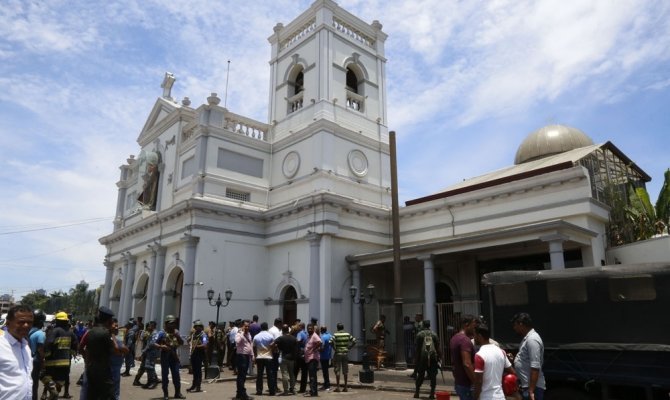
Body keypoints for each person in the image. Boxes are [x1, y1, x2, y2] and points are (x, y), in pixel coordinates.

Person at [81, 306, 120, 400]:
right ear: (109, 320)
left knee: (92, 395)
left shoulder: (90, 332)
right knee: (108, 395)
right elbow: (116, 350)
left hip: (91, 368)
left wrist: (87, 362)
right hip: (103, 371)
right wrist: (113, 334)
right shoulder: (106, 333)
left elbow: (83, 349)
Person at [0, 304, 34, 400]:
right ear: (8, 324)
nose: (26, 325)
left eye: (30, 322)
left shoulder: (26, 347)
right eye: (21, 322)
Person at [473, 323, 515, 400]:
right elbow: (512, 372)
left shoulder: (479, 355)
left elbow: (478, 381)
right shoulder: (501, 352)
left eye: (474, 335)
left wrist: (475, 397)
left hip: (486, 397)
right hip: (500, 396)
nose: (474, 338)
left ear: (479, 336)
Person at [42, 312, 78, 400]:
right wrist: (71, 354)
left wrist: (45, 356)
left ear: (57, 321)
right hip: (65, 363)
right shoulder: (71, 333)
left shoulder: (55, 331)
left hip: (52, 362)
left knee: (44, 376)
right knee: (61, 381)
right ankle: (54, 395)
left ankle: (51, 392)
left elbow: (48, 344)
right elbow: (75, 346)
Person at [511, 313, 545, 400]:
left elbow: (535, 367)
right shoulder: (527, 338)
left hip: (533, 387)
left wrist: (531, 390)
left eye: (515, 325)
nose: (514, 328)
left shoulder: (532, 339)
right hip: (527, 386)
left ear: (521, 324)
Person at [155, 315, 185, 400]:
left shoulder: (176, 332)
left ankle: (177, 393)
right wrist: (162, 346)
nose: (173, 325)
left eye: (174, 323)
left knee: (176, 375)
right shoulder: (162, 333)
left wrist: (177, 336)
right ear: (166, 324)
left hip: (174, 356)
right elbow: (153, 343)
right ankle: (166, 394)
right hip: (165, 356)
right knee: (165, 375)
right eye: (171, 323)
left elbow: (182, 342)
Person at [450, 314, 477, 400]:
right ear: (466, 324)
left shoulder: (455, 338)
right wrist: (476, 382)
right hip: (467, 384)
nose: (474, 328)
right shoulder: (465, 340)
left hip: (460, 382)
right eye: (473, 325)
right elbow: (467, 363)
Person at [414, 320, 440, 400]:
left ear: (423, 325)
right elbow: (437, 348)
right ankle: (432, 393)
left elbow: (418, 349)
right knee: (433, 375)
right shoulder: (434, 334)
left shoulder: (420, 334)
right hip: (432, 357)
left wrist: (417, 360)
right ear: (429, 325)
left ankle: (417, 392)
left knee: (420, 374)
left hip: (423, 357)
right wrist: (439, 358)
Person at [330, 322, 356, 393]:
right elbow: (354, 341)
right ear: (343, 328)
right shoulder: (347, 334)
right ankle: (345, 387)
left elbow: (330, 341)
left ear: (337, 328)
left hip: (338, 353)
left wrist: (334, 348)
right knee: (345, 371)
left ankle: (338, 387)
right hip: (345, 354)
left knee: (337, 370)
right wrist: (349, 347)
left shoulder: (336, 334)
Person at [253, 322, 276, 396]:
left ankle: (259, 390)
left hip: (259, 357)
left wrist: (255, 355)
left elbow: (254, 346)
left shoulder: (256, 336)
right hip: (268, 357)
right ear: (267, 327)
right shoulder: (270, 336)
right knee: (270, 374)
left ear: (261, 328)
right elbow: (273, 346)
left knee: (259, 375)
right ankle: (272, 391)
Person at [133, 320, 159, 388]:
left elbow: (151, 343)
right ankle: (150, 381)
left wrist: (144, 350)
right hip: (147, 352)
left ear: (153, 326)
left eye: (150, 325)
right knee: (146, 366)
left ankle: (152, 382)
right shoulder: (148, 332)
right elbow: (144, 340)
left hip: (151, 352)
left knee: (150, 367)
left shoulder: (155, 333)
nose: (149, 327)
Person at [28, 309, 47, 400]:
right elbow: (40, 349)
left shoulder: (27, 331)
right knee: (34, 384)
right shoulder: (40, 334)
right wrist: (43, 362)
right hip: (35, 361)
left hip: (27, 360)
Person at [274, 324, 297, 395]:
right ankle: (292, 389)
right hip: (292, 358)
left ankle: (286, 390)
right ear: (288, 330)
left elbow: (273, 344)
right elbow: (296, 347)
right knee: (292, 374)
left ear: (283, 330)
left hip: (283, 357)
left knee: (284, 374)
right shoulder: (293, 338)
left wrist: (276, 349)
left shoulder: (280, 338)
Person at [110, 319, 130, 400]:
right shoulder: (111, 338)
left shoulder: (117, 337)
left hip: (116, 367)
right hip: (112, 367)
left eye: (117, 326)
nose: (117, 327)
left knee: (115, 389)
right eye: (115, 326)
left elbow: (125, 349)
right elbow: (121, 349)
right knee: (114, 390)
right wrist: (121, 351)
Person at [235, 319, 254, 400]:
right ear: (242, 326)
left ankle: (239, 394)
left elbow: (250, 344)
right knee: (241, 375)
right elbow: (237, 342)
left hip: (247, 356)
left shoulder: (249, 334)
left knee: (243, 376)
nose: (247, 327)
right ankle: (242, 393)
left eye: (248, 326)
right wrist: (242, 333)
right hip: (241, 356)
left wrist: (252, 355)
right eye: (245, 326)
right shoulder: (239, 333)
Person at [187, 320, 208, 393]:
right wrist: (189, 341)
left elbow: (205, 344)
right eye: (196, 326)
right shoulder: (194, 334)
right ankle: (194, 385)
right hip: (193, 354)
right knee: (194, 371)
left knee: (198, 371)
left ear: (201, 327)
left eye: (198, 326)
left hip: (199, 354)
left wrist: (196, 346)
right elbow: (189, 341)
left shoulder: (203, 335)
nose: (197, 328)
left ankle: (198, 386)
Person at [304, 323, 322, 397]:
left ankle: (314, 392)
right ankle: (313, 391)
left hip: (313, 358)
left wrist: (313, 349)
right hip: (309, 358)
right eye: (308, 328)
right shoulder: (309, 336)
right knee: (312, 376)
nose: (309, 330)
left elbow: (320, 342)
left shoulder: (314, 335)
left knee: (312, 376)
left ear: (313, 329)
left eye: (311, 328)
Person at [294, 322, 308, 393]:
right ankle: (303, 388)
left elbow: (298, 341)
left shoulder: (300, 333)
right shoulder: (306, 333)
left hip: (299, 355)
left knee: (295, 371)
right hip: (305, 354)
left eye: (298, 326)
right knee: (304, 372)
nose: (296, 327)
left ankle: (292, 387)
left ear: (301, 327)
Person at [318, 326, 333, 391]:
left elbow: (322, 347)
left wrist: (318, 350)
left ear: (321, 330)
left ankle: (327, 385)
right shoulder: (330, 335)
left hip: (323, 356)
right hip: (328, 355)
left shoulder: (323, 337)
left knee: (325, 371)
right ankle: (327, 384)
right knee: (326, 371)